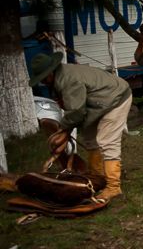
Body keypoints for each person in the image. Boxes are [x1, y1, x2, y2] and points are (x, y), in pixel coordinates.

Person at [27, 52, 132, 202]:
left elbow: (76, 112)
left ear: (50, 72)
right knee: (89, 137)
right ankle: (98, 178)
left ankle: (113, 187)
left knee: (107, 141)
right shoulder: (59, 77)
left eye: (43, 78)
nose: (43, 82)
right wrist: (64, 130)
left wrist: (63, 129)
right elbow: (76, 110)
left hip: (116, 98)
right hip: (98, 102)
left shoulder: (69, 80)